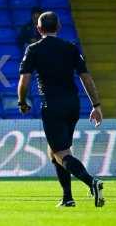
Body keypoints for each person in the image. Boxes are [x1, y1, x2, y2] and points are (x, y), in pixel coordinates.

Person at [17, 11, 105, 207]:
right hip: (73, 105)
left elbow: (24, 80)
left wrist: (22, 102)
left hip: (52, 105)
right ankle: (67, 198)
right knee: (55, 150)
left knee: (61, 153)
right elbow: (86, 78)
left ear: (39, 29)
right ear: (59, 27)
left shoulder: (33, 49)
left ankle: (92, 183)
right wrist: (96, 105)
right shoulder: (71, 48)